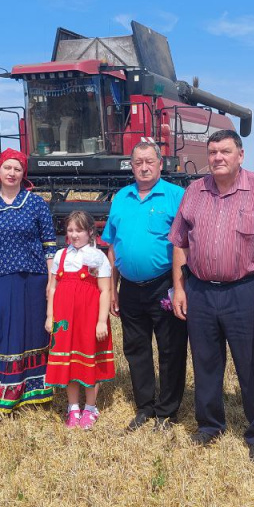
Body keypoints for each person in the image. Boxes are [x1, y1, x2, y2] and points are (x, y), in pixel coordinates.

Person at [169, 130, 254, 459]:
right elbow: (180, 241)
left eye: (225, 151)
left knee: (252, 366)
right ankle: (209, 425)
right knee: (205, 363)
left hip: (244, 290)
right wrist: (179, 287)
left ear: (240, 155)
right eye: (213, 151)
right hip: (200, 290)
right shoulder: (194, 191)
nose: (218, 157)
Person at [103, 142, 187, 432]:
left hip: (164, 284)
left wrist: (180, 287)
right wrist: (113, 289)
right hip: (130, 288)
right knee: (136, 348)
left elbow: (184, 245)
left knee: (170, 348)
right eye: (138, 162)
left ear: (160, 164)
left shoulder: (176, 196)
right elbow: (112, 247)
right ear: (131, 165)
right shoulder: (120, 198)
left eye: (149, 161)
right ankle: (145, 406)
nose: (143, 167)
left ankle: (167, 410)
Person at [0, 148, 56, 422]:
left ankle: (33, 394)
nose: (12, 173)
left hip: (33, 280)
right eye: (7, 168)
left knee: (32, 335)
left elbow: (50, 247)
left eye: (17, 169)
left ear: (23, 174)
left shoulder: (36, 204)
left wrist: (52, 283)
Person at [45, 211, 115, 429]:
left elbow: (105, 291)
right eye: (70, 230)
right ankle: (73, 407)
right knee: (70, 363)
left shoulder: (97, 257)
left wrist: (101, 321)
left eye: (79, 230)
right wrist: (50, 316)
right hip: (65, 320)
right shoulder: (60, 256)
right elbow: (53, 288)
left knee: (89, 361)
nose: (74, 235)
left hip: (88, 319)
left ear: (90, 232)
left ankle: (91, 408)